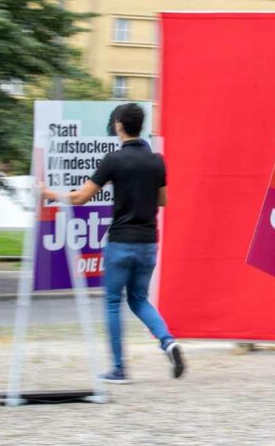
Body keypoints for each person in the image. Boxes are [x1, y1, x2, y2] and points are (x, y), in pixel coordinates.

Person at [42, 103, 184, 384]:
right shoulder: (157, 160)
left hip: (120, 242)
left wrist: (49, 193)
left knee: (111, 303)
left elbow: (81, 197)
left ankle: (119, 369)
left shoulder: (114, 160)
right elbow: (164, 201)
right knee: (139, 299)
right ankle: (168, 342)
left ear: (119, 124)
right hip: (148, 242)